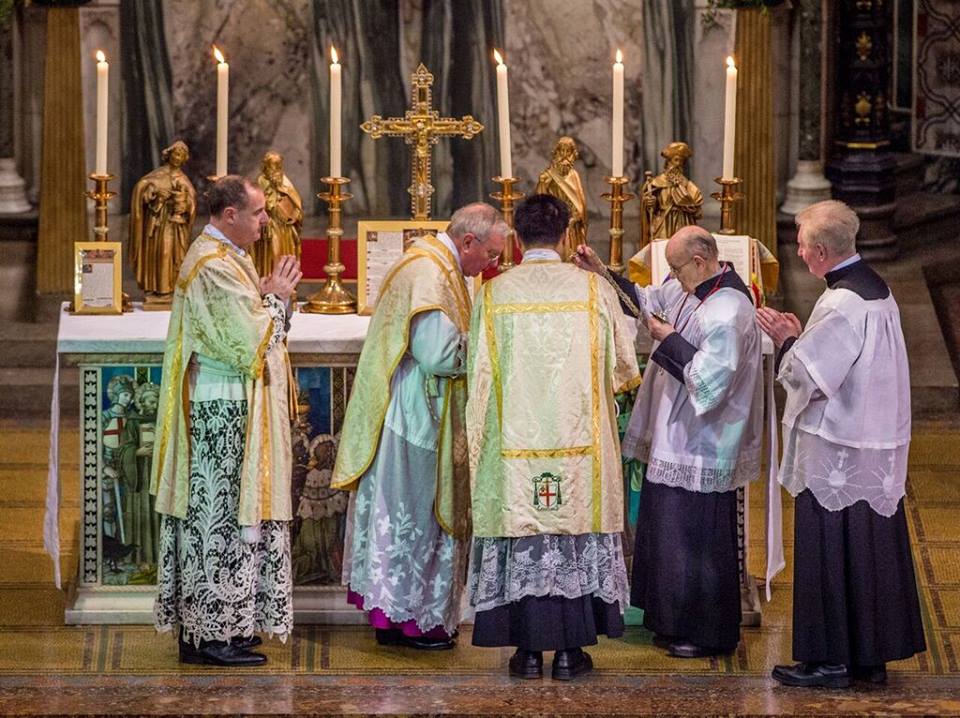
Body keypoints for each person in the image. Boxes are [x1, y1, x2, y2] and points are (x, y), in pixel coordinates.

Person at [466, 194, 640, 680]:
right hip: (578, 443)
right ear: (566, 235)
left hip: (513, 446)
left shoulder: (493, 293)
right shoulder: (592, 291)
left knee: (524, 527)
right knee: (572, 528)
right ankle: (569, 652)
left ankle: (524, 653)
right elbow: (624, 369)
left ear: (517, 239)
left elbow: (477, 373)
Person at [757, 200, 925, 688]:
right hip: (871, 447)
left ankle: (830, 661)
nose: (800, 251)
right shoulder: (877, 290)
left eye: (804, 244)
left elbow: (809, 376)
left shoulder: (842, 302)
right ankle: (868, 659)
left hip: (838, 450)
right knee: (868, 551)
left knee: (830, 552)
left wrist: (789, 340)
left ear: (822, 251)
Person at [574, 226, 763, 658]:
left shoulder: (729, 310)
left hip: (704, 443)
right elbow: (644, 301)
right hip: (675, 437)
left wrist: (667, 339)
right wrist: (601, 272)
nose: (671, 277)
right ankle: (671, 621)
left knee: (697, 543)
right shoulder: (689, 290)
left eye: (676, 268)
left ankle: (707, 633)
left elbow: (711, 382)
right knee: (669, 535)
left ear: (700, 261)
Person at [332, 203, 508, 649]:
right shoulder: (431, 273)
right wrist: (491, 347)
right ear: (468, 242)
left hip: (413, 408)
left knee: (403, 511)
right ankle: (416, 620)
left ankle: (393, 617)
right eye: (489, 253)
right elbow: (439, 355)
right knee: (419, 512)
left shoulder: (434, 262)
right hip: (422, 413)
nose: (492, 264)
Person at [151, 175, 302, 666]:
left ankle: (226, 626)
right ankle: (209, 635)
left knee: (236, 516)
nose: (265, 221)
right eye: (258, 213)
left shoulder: (226, 257)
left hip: (234, 405)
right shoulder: (213, 264)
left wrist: (267, 299)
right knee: (219, 517)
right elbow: (249, 344)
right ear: (229, 215)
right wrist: (276, 297)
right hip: (224, 408)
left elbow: (248, 323)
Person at [128, 140, 197, 308]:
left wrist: (184, 203)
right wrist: (153, 193)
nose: (177, 157)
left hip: (174, 226)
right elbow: (142, 191)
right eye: (175, 153)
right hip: (157, 225)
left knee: (170, 255)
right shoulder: (157, 175)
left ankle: (168, 289)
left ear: (184, 159)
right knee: (159, 254)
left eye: (181, 155)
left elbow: (192, 202)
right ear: (169, 154)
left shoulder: (183, 179)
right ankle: (157, 289)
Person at [639, 141, 703, 246]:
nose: (678, 164)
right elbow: (651, 209)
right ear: (668, 161)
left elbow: (697, 209)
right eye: (676, 160)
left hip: (683, 224)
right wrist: (650, 203)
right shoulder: (656, 182)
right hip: (663, 224)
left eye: (681, 161)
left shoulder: (687, 185)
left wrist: (691, 205)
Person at [253, 151, 303, 278]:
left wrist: (295, 214)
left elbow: (295, 200)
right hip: (269, 224)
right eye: (271, 166)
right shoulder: (261, 181)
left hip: (285, 227)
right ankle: (269, 280)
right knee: (273, 253)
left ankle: (286, 282)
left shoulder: (284, 181)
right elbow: (258, 203)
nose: (274, 170)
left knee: (285, 253)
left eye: (277, 166)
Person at [535, 137, 587, 260]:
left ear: (573, 154)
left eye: (568, 152)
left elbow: (580, 203)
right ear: (556, 152)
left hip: (572, 227)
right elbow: (540, 201)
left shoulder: (574, 175)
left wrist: (577, 216)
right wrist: (543, 184)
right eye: (561, 151)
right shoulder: (548, 175)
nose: (564, 156)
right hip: (555, 224)